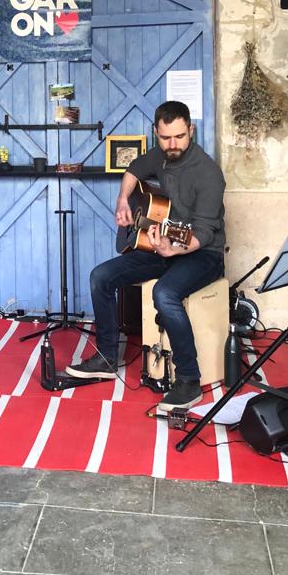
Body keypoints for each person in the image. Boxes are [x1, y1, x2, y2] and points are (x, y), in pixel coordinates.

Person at [66, 100, 225, 411]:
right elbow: (133, 170)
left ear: (191, 130)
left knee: (164, 293)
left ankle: (189, 380)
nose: (173, 144)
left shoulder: (208, 174)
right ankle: (106, 358)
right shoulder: (160, 156)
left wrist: (174, 248)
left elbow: (205, 233)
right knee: (100, 276)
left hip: (202, 253)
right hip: (164, 246)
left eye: (179, 136)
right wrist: (123, 200)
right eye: (165, 138)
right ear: (156, 133)